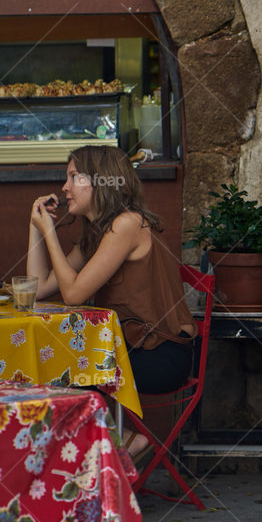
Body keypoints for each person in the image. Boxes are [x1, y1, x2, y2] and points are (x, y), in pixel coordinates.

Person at [26, 145, 196, 459]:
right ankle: (113, 453)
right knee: (49, 366)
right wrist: (36, 229)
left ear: (102, 181)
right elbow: (38, 288)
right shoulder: (97, 233)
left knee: (63, 372)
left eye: (74, 177)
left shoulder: (127, 224)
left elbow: (73, 295)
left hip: (162, 355)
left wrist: (50, 233)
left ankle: (125, 444)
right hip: (125, 351)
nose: (65, 188)